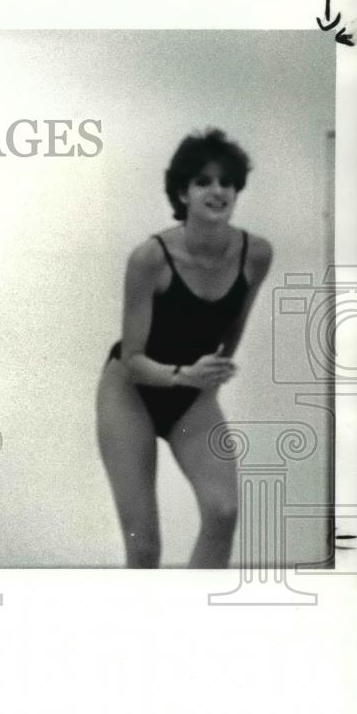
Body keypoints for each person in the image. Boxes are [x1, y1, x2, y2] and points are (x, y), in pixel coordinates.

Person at [96, 129, 273, 568]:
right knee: (144, 546)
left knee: (223, 511)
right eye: (204, 181)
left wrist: (205, 380)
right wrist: (183, 375)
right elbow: (134, 359)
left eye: (227, 182)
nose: (218, 191)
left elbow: (233, 329)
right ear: (182, 192)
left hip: (191, 394)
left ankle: (193, 622)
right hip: (131, 391)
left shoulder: (257, 253)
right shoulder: (150, 258)